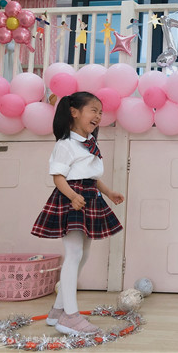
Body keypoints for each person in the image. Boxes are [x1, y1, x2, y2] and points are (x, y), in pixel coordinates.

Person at [31, 92, 124, 335]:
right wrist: (72, 196)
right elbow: (58, 177)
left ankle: (57, 311)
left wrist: (109, 192)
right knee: (73, 253)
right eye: (93, 110)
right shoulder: (65, 144)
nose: (98, 116)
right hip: (73, 200)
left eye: (100, 112)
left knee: (83, 254)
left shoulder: (90, 142)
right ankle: (70, 317)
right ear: (74, 112)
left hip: (90, 196)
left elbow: (91, 175)